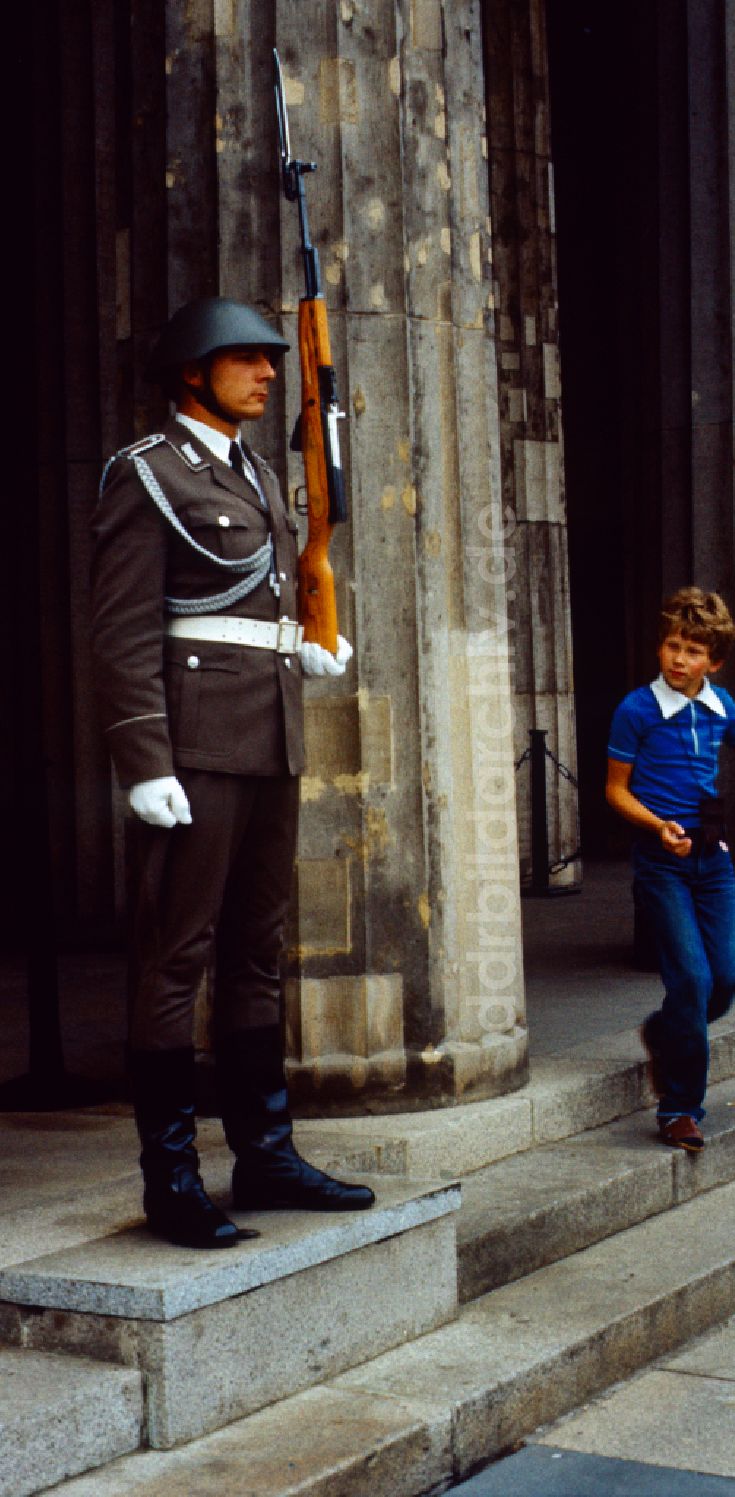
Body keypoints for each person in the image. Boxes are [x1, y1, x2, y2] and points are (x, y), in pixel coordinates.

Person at [91, 296, 375, 1249]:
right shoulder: (147, 473)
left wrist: (305, 644)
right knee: (176, 956)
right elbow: (123, 628)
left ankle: (265, 1153)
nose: (266, 375)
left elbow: (262, 596)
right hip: (196, 744)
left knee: (259, 951)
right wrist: (144, 757)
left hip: (267, 737)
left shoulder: (255, 470)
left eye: (269, 360)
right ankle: (171, 1176)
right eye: (246, 361)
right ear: (193, 373)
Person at [605, 587, 735, 1152]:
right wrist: (657, 825)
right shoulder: (637, 709)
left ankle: (664, 1032)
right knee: (691, 978)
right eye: (671, 646)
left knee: (726, 979)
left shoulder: (720, 706)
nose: (678, 659)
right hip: (662, 863)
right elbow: (615, 791)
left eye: (691, 651)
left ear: (714, 661)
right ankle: (680, 1107)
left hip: (713, 862)